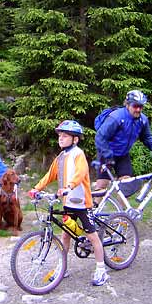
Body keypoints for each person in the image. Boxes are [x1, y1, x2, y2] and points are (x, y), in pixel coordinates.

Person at [28, 120, 109, 286]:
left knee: (92, 235)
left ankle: (101, 270)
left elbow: (80, 174)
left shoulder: (78, 154)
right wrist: (36, 188)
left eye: (65, 136)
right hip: (68, 203)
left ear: (75, 139)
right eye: (60, 136)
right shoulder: (61, 157)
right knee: (65, 235)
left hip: (82, 204)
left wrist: (68, 187)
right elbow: (50, 175)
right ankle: (63, 267)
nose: (61, 138)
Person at [95, 90, 152, 191]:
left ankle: (125, 208)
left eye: (141, 106)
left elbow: (146, 137)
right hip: (106, 153)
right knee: (102, 185)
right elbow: (100, 137)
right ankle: (95, 206)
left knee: (125, 185)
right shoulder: (116, 117)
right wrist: (108, 155)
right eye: (135, 106)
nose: (138, 109)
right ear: (127, 105)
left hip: (123, 155)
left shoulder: (142, 120)